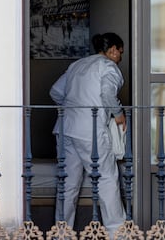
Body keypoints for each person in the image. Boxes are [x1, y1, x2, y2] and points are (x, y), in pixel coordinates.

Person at [50, 32, 126, 237]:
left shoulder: (77, 65)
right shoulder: (109, 67)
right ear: (112, 50)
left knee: (67, 186)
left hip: (65, 128)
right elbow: (108, 93)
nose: (120, 57)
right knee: (107, 180)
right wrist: (119, 115)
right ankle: (117, 234)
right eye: (120, 52)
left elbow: (55, 91)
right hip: (90, 131)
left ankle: (61, 234)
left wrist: (72, 108)